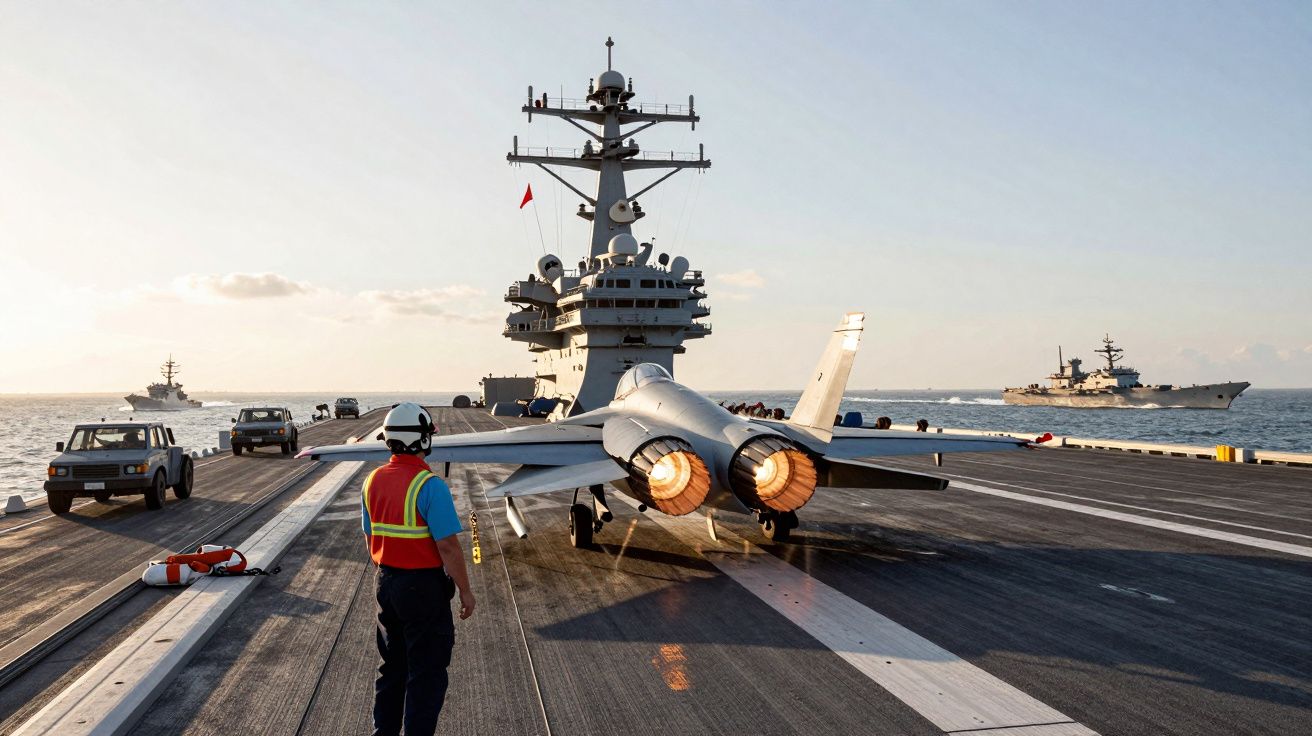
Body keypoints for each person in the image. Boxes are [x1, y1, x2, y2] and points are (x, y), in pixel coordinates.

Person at [363, 403, 475, 736]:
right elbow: (448, 547)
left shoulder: (372, 481)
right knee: (425, 677)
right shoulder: (429, 486)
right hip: (422, 589)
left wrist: (390, 572)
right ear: (422, 441)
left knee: (392, 670)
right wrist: (466, 592)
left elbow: (371, 537)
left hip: (385, 582)